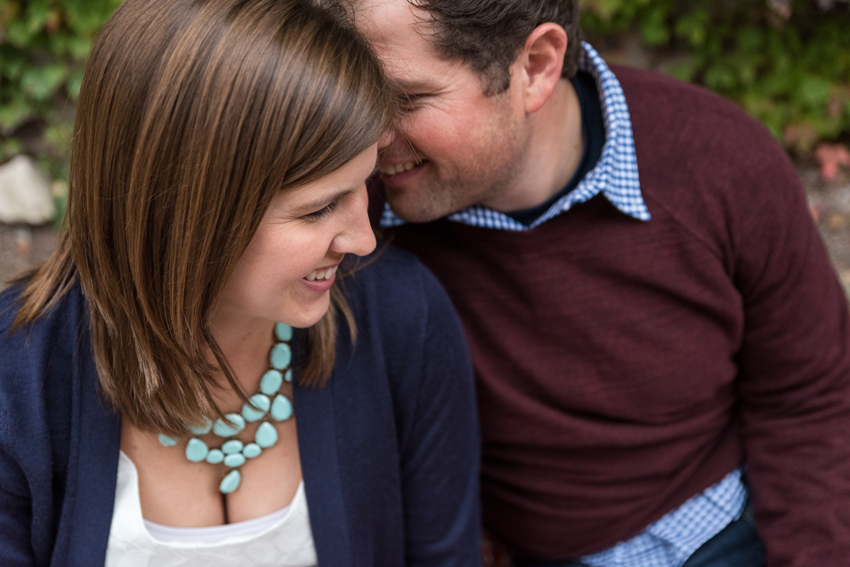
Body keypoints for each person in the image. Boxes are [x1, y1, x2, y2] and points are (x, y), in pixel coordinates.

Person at [346, 0, 850, 566]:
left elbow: (809, 397)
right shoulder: (347, 218)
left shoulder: (721, 164)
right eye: (354, 95)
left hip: (725, 529)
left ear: (535, 66)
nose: (368, 137)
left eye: (406, 99)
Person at [0, 0, 482, 565]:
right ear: (186, 211)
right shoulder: (18, 379)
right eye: (319, 209)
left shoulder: (400, 320)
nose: (362, 240)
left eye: (364, 185)